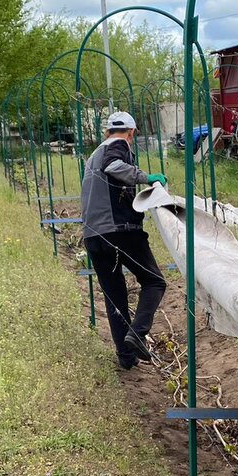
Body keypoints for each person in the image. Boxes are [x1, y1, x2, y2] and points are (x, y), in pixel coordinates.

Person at [81, 110, 168, 370]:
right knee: (154, 281)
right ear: (131, 132)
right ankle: (137, 334)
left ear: (107, 129)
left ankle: (126, 358)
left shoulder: (94, 154)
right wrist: (146, 177)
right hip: (118, 231)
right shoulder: (116, 146)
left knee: (115, 296)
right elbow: (114, 166)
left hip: (92, 236)